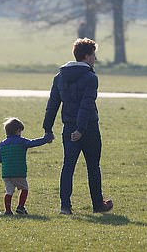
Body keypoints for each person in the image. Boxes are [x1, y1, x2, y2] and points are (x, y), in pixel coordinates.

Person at [43, 37, 113, 215]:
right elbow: (86, 105)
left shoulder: (59, 77)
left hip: (67, 127)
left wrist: (48, 128)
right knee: (93, 167)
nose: (95, 59)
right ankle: (98, 205)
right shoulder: (90, 77)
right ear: (87, 56)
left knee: (68, 167)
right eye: (93, 55)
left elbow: (53, 104)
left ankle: (65, 206)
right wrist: (81, 130)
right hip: (88, 128)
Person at [0, 117, 54, 215]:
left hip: (6, 173)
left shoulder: (2, 144)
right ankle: (20, 207)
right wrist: (46, 138)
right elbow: (34, 143)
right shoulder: (21, 141)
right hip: (18, 172)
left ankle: (8, 210)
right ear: (18, 131)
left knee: (9, 191)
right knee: (24, 188)